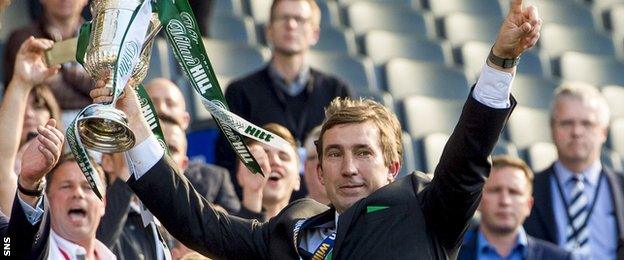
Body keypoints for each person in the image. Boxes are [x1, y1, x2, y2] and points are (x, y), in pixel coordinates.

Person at [89, 0, 541, 257]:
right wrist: (129, 107)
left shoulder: (424, 210)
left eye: (363, 153)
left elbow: (468, 155)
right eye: (335, 154)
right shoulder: (288, 231)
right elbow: (197, 221)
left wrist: (501, 62)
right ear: (318, 172)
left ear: (393, 165)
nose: (348, 167)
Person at [216, 0, 354, 179]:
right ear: (269, 31)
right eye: (284, 18)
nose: (291, 24)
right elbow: (228, 162)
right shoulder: (240, 91)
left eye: (299, 19)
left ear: (315, 33)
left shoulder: (337, 90)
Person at [524, 82, 624, 259]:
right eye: (566, 123)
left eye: (587, 124)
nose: (576, 131)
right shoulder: (527, 190)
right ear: (552, 129)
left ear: (604, 132)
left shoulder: (621, 186)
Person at [458, 156, 572, 260]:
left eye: (514, 192)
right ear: (478, 201)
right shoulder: (451, 255)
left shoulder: (560, 258)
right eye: (495, 190)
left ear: (528, 205)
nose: (505, 201)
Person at [3, 0, 93, 127]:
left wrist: (64, 71)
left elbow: (108, 87)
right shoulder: (25, 39)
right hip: (42, 126)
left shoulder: (99, 39)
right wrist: (92, 98)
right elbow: (45, 93)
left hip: (94, 123)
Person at [0, 37, 60, 217]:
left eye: (38, 105)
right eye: (21, 106)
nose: (27, 114)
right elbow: (3, 169)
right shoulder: (6, 172)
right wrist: (21, 82)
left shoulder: (72, 168)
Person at [159, 114, 241, 213]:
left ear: (184, 164)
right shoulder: (135, 195)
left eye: (172, 149)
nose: (163, 152)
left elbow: (238, 223)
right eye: (157, 145)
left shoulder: (214, 181)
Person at [235, 123, 301, 221]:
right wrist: (253, 193)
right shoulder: (222, 231)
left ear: (297, 179)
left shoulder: (310, 232)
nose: (275, 161)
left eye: (284, 157)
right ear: (240, 175)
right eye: (263, 156)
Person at [302, 125, 329, 205]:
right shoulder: (289, 215)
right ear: (305, 167)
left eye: (335, 155)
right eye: (318, 157)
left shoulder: (365, 212)